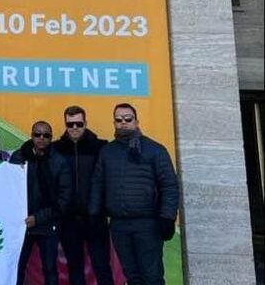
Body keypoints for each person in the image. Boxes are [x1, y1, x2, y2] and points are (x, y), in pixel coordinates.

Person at [89, 103, 179, 285]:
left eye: (128, 119)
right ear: (114, 123)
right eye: (118, 119)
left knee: (152, 276)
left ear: (136, 121)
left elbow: (169, 185)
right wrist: (93, 215)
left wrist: (167, 217)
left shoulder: (155, 150)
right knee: (132, 277)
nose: (123, 123)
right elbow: (98, 185)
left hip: (148, 225)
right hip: (119, 226)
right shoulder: (107, 152)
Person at [53, 106, 113, 285]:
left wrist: (103, 209)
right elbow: (30, 154)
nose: (74, 127)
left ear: (86, 123)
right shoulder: (56, 148)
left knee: (102, 266)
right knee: (75, 268)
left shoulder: (101, 147)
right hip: (68, 220)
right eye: (70, 124)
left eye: (79, 123)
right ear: (65, 124)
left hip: (96, 218)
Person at [10, 121, 71, 285]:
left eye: (46, 135)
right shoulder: (18, 157)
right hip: (22, 223)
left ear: (51, 138)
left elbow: (63, 200)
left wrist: (38, 218)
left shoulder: (60, 162)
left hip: (47, 223)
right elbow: (9, 190)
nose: (41, 138)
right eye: (38, 134)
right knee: (16, 266)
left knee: (50, 268)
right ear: (31, 135)